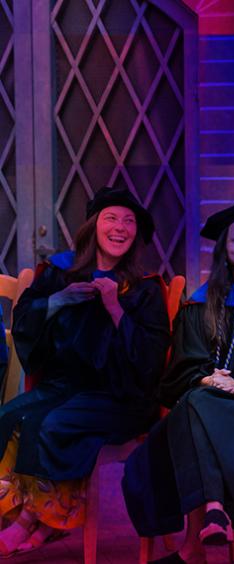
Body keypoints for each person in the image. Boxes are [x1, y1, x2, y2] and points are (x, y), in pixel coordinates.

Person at [0, 186, 170, 556]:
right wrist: (61, 301)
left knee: (53, 423)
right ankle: (29, 515)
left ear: (136, 235)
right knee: (10, 415)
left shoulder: (145, 289)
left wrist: (114, 307)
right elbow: (27, 319)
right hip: (67, 385)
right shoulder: (60, 274)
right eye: (112, 218)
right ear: (93, 226)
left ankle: (37, 518)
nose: (120, 227)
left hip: (121, 395)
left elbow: (149, 360)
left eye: (129, 221)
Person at [123, 202, 234, 563]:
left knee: (193, 409)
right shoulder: (203, 303)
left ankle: (193, 543)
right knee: (195, 402)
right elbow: (184, 367)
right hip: (220, 403)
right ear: (224, 251)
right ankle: (208, 521)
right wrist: (206, 376)